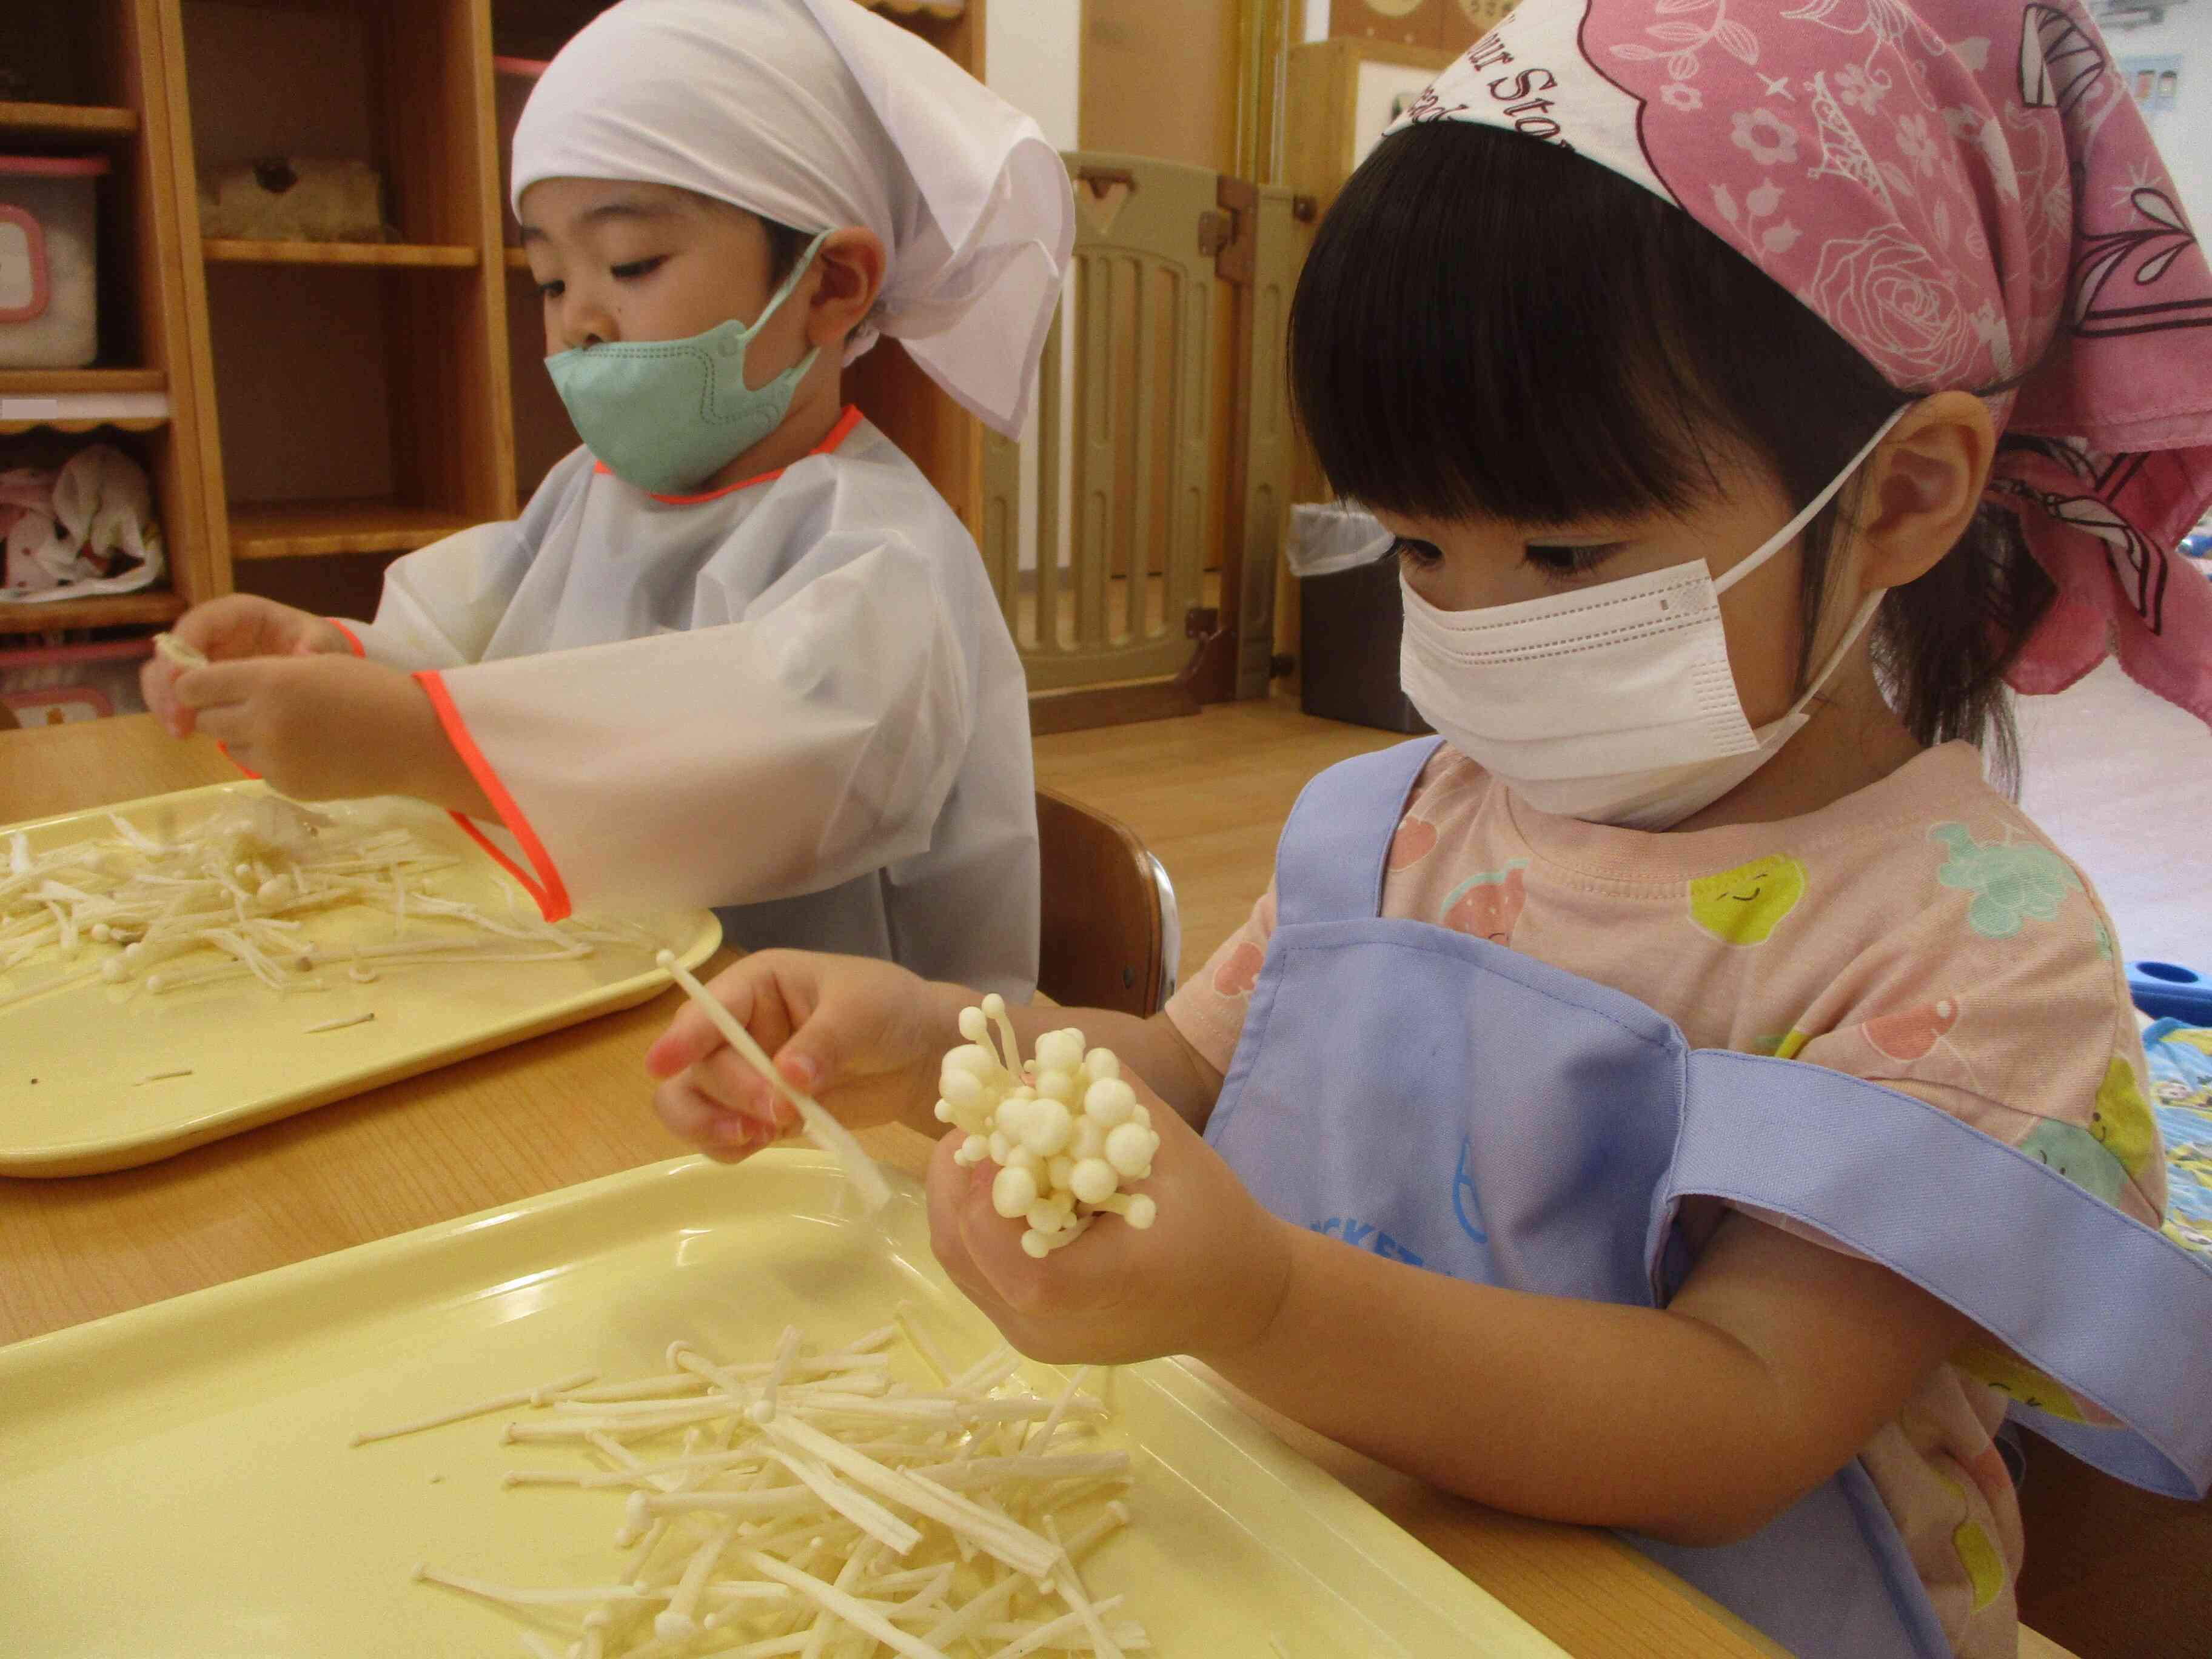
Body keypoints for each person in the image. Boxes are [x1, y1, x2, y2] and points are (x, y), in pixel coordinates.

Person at [642, 0, 2212, 1654]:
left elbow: (1740, 1421)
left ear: (1899, 498)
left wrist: (1264, 1299)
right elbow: (1176, 1074)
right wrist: (943, 1045)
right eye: (1415, 545)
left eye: (1563, 558)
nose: (1470, 621)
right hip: (1333, 1552)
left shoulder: (1969, 944)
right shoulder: (1396, 824)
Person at [139, 0, 1073, 1000]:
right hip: (611, 983)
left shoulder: (883, 555)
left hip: (818, 1062)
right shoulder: (595, 495)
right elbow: (494, 633)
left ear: (831, 284)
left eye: (630, 265)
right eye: (547, 278)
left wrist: (415, 734)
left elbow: (775, 769)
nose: (579, 322)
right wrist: (340, 657)